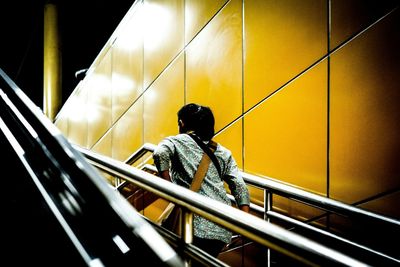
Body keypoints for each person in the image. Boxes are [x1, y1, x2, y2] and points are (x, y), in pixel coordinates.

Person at [153, 103, 250, 259]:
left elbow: (159, 153)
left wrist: (168, 187)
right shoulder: (223, 152)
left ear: (182, 123)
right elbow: (239, 186)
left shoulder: (177, 141)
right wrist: (245, 223)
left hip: (191, 222)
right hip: (221, 226)